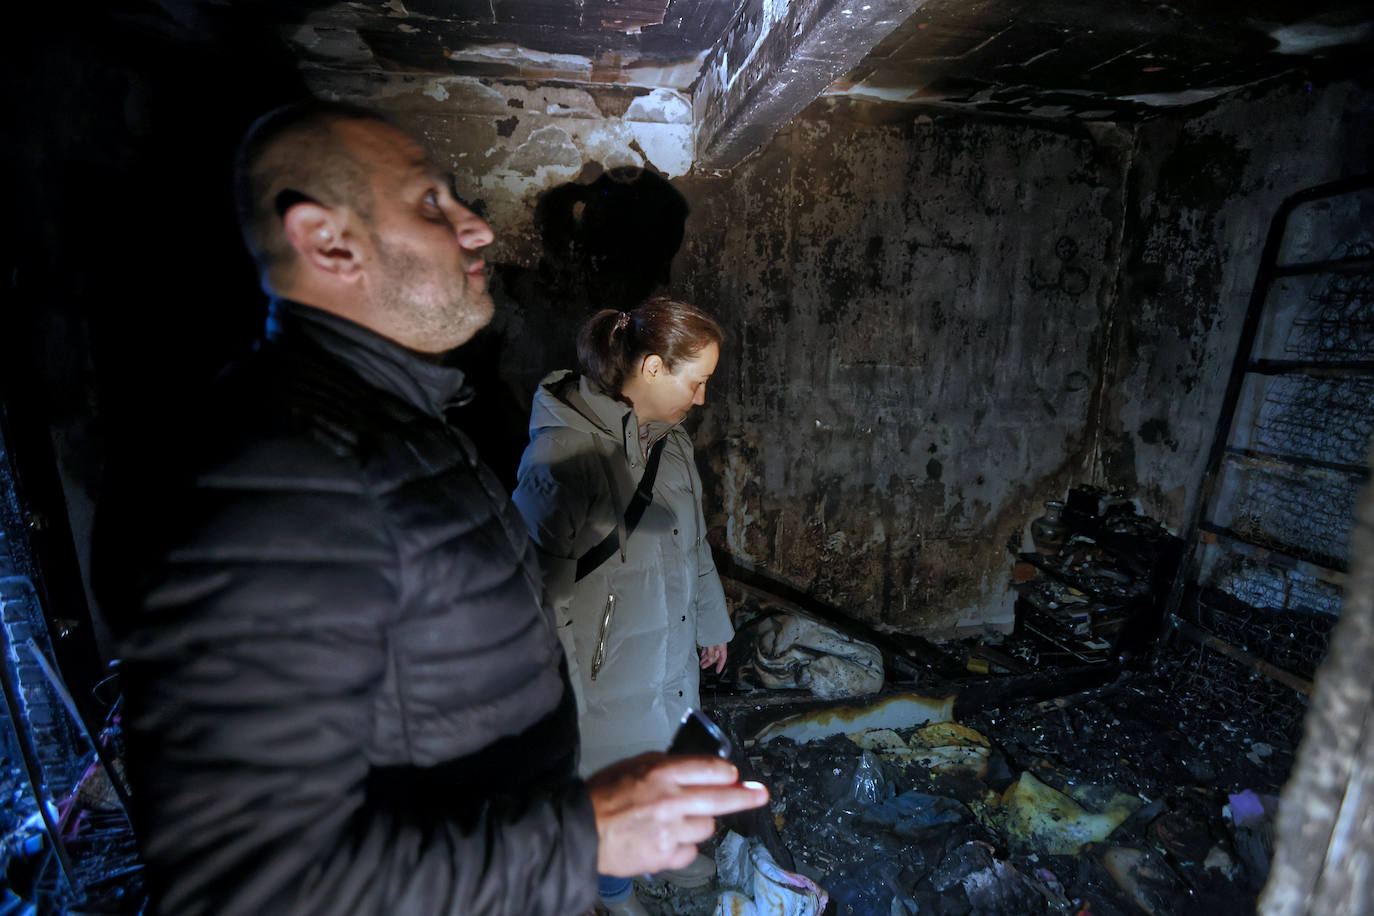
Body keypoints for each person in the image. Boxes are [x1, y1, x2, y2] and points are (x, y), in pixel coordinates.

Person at [94, 100, 766, 915]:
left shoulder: (402, 429)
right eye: (429, 203)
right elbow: (248, 887)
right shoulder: (274, 477)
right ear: (327, 240)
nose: (477, 228)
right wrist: (580, 838)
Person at [512, 298, 734, 914]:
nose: (701, 399)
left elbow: (693, 544)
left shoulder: (674, 445)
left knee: (666, 754)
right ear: (656, 368)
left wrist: (710, 622)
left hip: (665, 652)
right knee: (611, 777)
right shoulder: (562, 458)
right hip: (601, 670)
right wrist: (558, 706)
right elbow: (535, 599)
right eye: (698, 382)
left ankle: (665, 854)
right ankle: (610, 886)